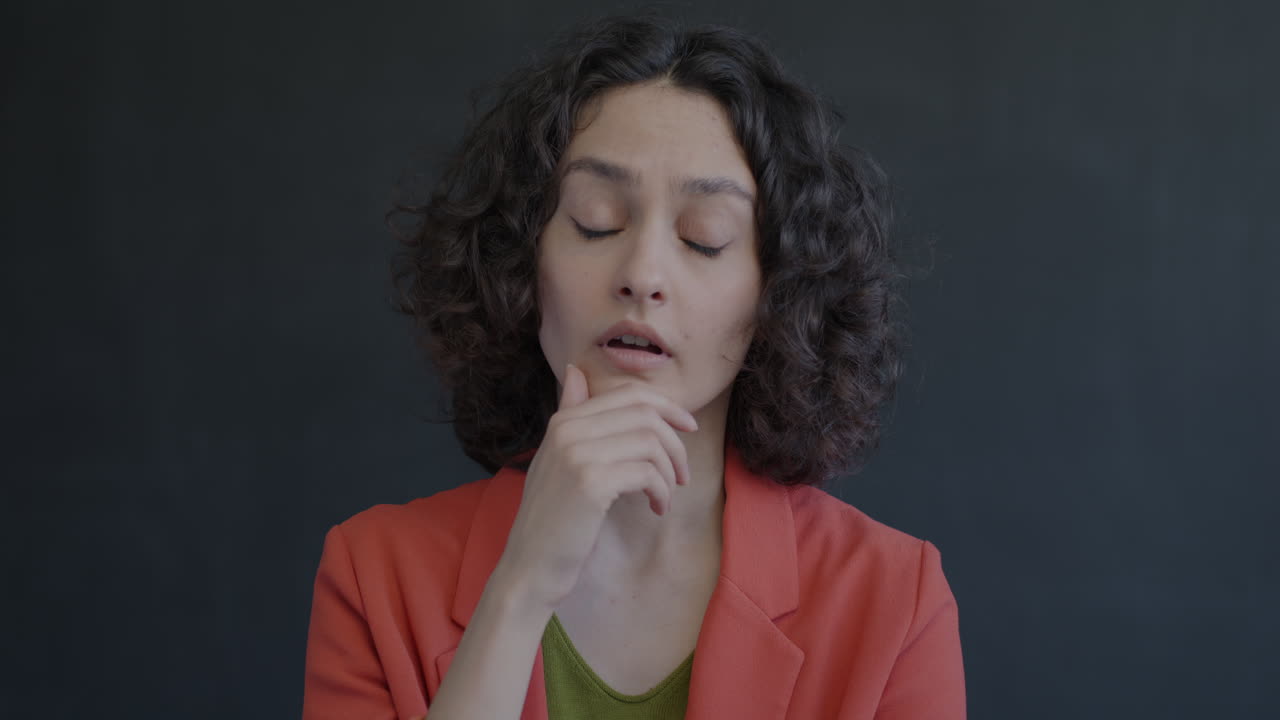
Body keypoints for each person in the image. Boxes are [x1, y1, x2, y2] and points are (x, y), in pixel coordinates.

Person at [302, 12, 965, 720]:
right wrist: (521, 588)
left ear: (778, 288)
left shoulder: (895, 599)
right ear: (522, 260)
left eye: (704, 238)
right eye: (596, 221)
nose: (643, 273)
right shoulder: (373, 573)